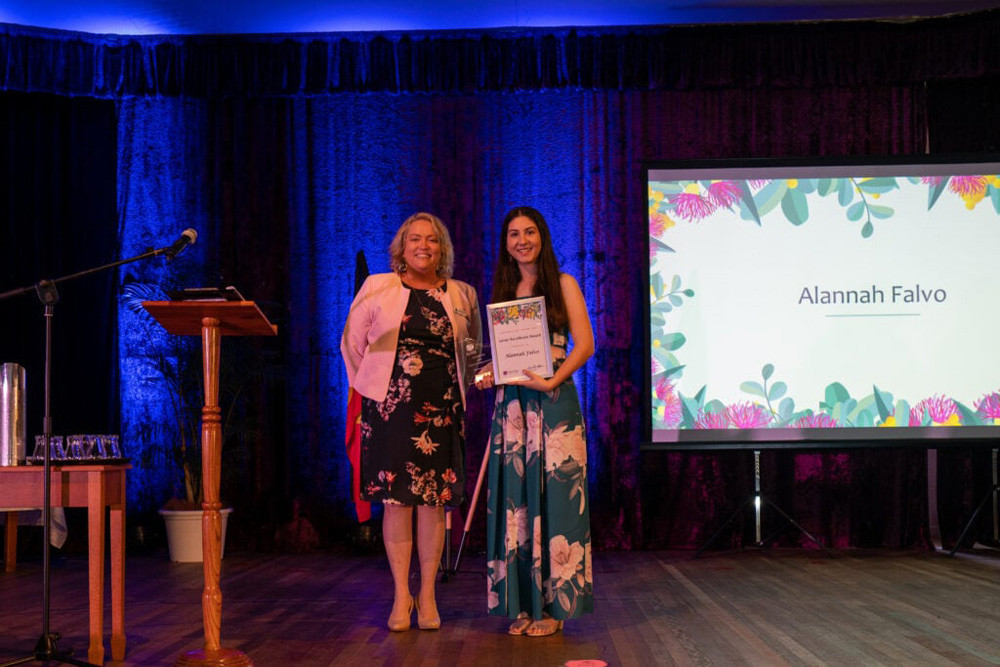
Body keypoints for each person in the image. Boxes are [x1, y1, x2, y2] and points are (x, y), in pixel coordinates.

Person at [341, 212, 481, 632]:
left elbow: (471, 350)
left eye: (433, 240)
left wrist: (460, 392)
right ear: (401, 248)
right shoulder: (376, 287)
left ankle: (429, 595)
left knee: (434, 503)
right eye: (415, 239)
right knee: (397, 502)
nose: (424, 246)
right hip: (389, 408)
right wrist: (374, 389)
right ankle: (402, 594)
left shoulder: (462, 294)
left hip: (442, 408)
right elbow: (352, 343)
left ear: (443, 250)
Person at [475, 206, 595, 637]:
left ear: (542, 237)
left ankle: (555, 611)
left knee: (557, 501)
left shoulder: (562, 284)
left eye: (529, 232)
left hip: (555, 402)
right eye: (513, 234)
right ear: (505, 244)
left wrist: (552, 382)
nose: (521, 240)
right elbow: (504, 359)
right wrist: (490, 373)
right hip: (511, 409)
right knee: (517, 504)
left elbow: (585, 345)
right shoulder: (505, 295)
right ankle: (524, 606)